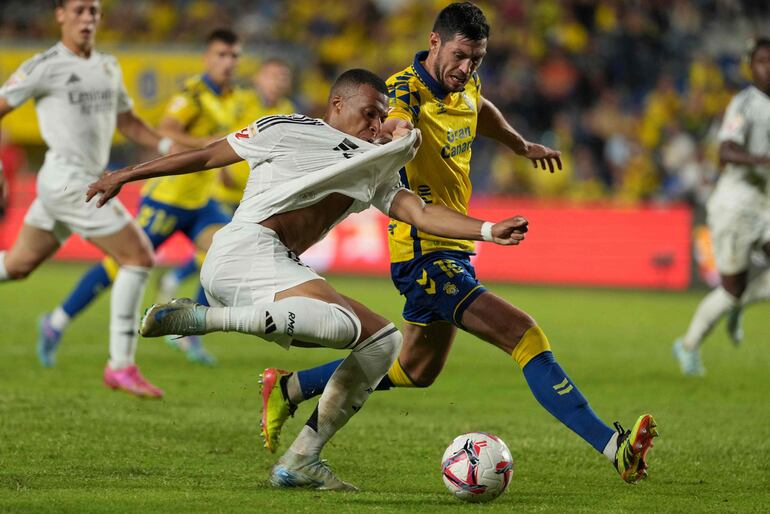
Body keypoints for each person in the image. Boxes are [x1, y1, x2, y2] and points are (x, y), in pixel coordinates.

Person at [258, 2, 657, 484]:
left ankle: (290, 387)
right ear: (434, 42)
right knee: (524, 334)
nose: (467, 68)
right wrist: (397, 133)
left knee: (415, 369)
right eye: (461, 56)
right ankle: (616, 450)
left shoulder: (465, 84)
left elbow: (480, 110)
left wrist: (518, 144)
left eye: (478, 60)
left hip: (452, 250)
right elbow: (390, 123)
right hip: (423, 252)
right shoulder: (401, 91)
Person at [86, 68, 531, 490]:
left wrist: (488, 230)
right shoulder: (283, 127)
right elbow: (205, 154)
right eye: (370, 113)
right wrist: (126, 174)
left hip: (276, 265)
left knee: (382, 343)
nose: (376, 125)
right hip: (244, 247)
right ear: (337, 103)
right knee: (344, 325)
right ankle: (202, 318)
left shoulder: (373, 163)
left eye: (382, 117)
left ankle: (301, 459)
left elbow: (420, 213)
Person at [37, 28, 249, 367]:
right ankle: (56, 321)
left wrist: (220, 165)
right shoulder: (191, 96)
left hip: (200, 203)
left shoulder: (233, 97)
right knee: (118, 263)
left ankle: (188, 333)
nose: (228, 62)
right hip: (166, 200)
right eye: (222, 55)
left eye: (234, 55)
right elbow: (164, 130)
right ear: (207, 58)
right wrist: (207, 142)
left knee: (226, 250)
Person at [0, 0, 172, 397]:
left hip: (74, 180)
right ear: (60, 15)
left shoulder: (108, 66)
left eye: (93, 11)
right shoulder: (43, 66)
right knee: (138, 257)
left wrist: (169, 143)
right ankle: (121, 365)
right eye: (78, 10)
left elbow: (128, 122)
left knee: (18, 264)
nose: (87, 19)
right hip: (68, 182)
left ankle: (98, 352)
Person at [156, 58, 297, 301]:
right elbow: (221, 135)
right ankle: (191, 314)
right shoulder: (241, 102)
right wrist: (221, 168)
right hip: (221, 192)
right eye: (272, 76)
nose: (277, 82)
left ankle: (178, 284)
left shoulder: (287, 110)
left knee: (226, 255)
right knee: (223, 254)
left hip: (255, 196)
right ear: (258, 79)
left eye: (283, 77)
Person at [674, 37, 770, 375]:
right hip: (736, 207)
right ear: (750, 66)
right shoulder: (744, 104)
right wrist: (762, 159)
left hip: (765, 205)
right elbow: (725, 151)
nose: (768, 67)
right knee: (731, 290)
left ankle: (737, 306)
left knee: (738, 291)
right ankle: (688, 346)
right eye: (762, 61)